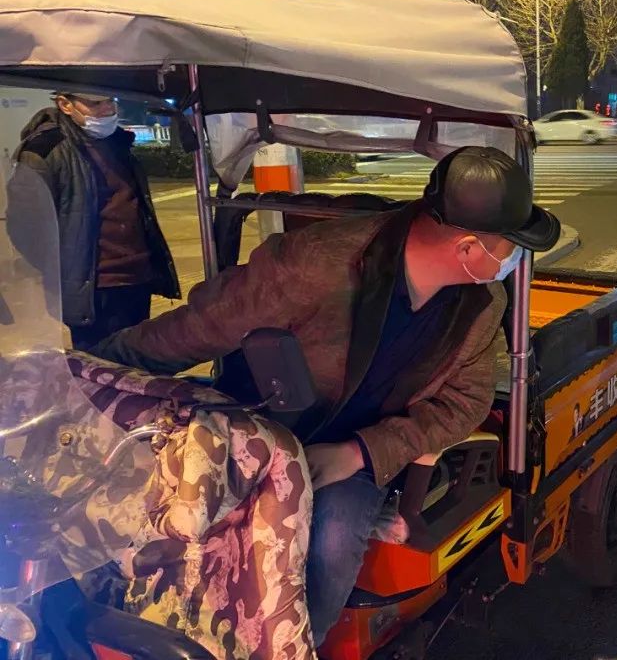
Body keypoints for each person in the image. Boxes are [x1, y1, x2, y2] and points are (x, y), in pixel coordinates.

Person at [90, 145, 561, 646]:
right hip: (258, 435)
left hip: (356, 455)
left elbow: (464, 403)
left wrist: (358, 453)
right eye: (511, 247)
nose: (514, 260)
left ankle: (295, 647)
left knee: (330, 544)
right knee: (179, 528)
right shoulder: (320, 264)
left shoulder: (482, 305)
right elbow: (200, 326)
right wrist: (94, 367)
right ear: (468, 248)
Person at [15, 92, 179, 349]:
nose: (108, 109)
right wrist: (64, 274)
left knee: (136, 360)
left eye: (111, 101)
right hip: (93, 290)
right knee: (100, 365)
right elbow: (24, 227)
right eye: (96, 103)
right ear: (65, 104)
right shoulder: (44, 151)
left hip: (136, 279)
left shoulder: (118, 142)